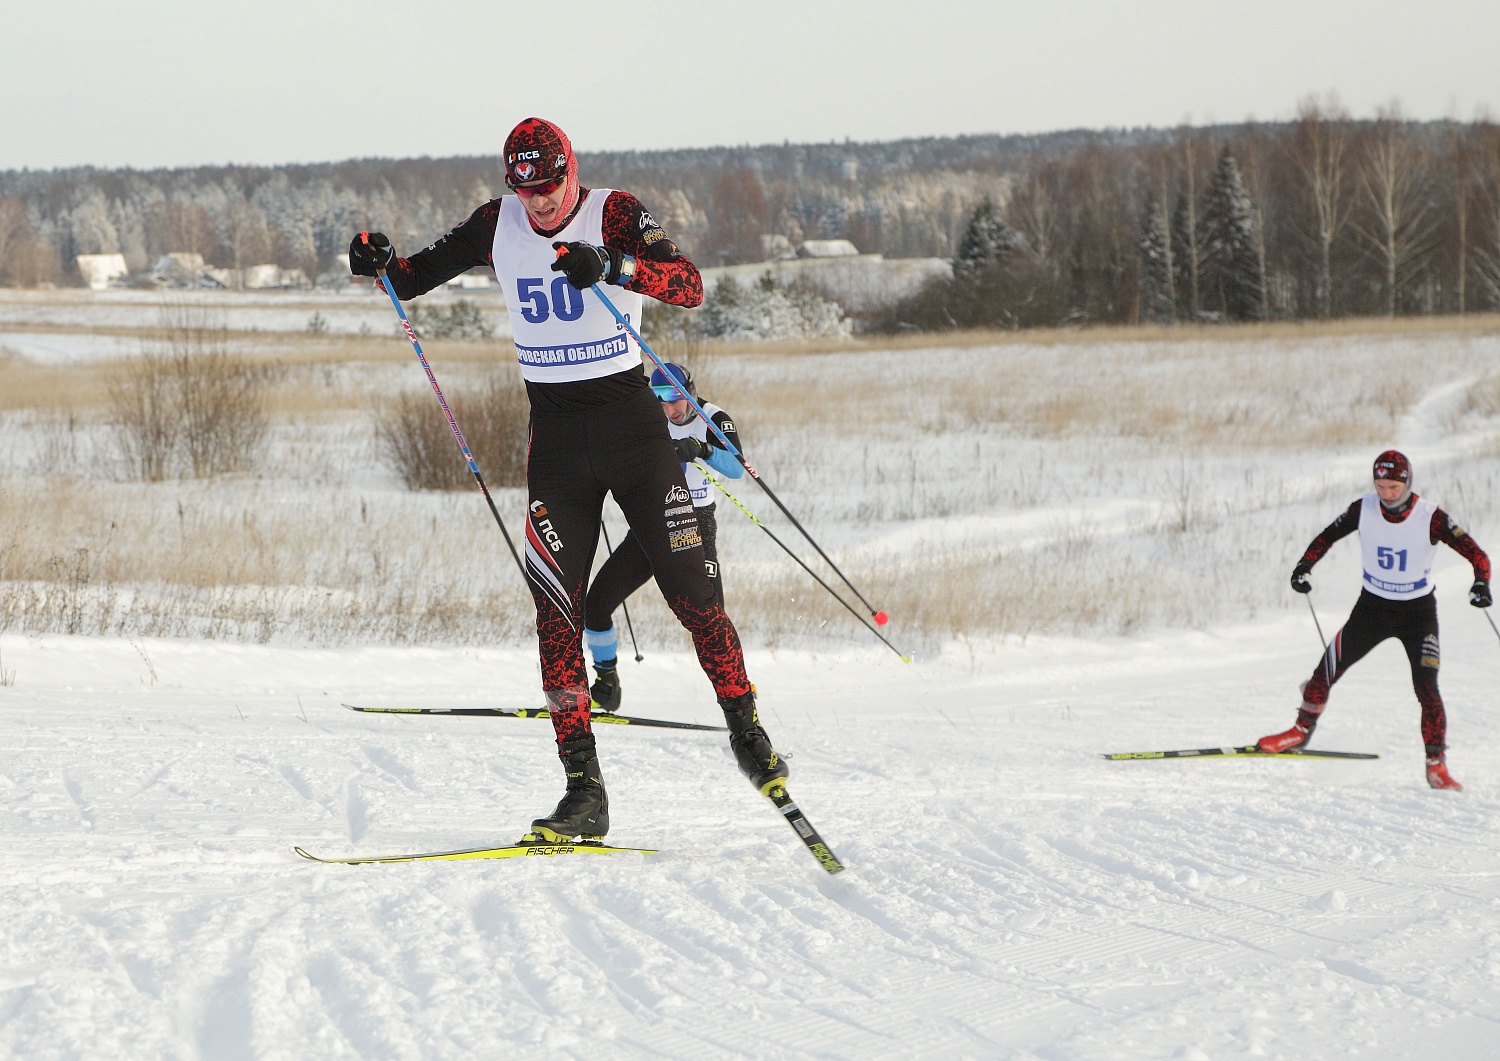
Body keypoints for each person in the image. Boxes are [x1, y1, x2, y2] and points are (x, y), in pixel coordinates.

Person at [347, 118, 787, 842]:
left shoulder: (612, 210)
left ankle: (747, 728)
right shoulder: (499, 221)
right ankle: (584, 790)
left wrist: (614, 267)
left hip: (633, 432)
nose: (541, 204)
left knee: (693, 594)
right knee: (555, 610)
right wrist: (376, 258)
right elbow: (409, 279)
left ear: (570, 170)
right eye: (526, 190)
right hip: (556, 442)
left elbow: (691, 285)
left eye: (550, 187)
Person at [1257, 450, 1491, 790]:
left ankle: (1436, 765)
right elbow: (1326, 537)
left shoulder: (1431, 517)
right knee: (1327, 667)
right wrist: (1303, 567)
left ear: (1407, 482)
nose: (1387, 494)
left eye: (1394, 486)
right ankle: (1299, 731)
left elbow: (1477, 554)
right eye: (1381, 486)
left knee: (1427, 688)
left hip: (1417, 614)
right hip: (1372, 609)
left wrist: (1481, 584)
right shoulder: (1363, 509)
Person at [583, 363, 744, 711]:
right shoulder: (647, 419)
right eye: (661, 400)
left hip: (696, 522)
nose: (671, 409)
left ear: (690, 391)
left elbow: (737, 468)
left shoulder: (713, 417)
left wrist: (702, 450)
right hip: (654, 520)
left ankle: (739, 703)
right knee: (594, 605)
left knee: (712, 618)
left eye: (677, 399)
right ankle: (606, 681)